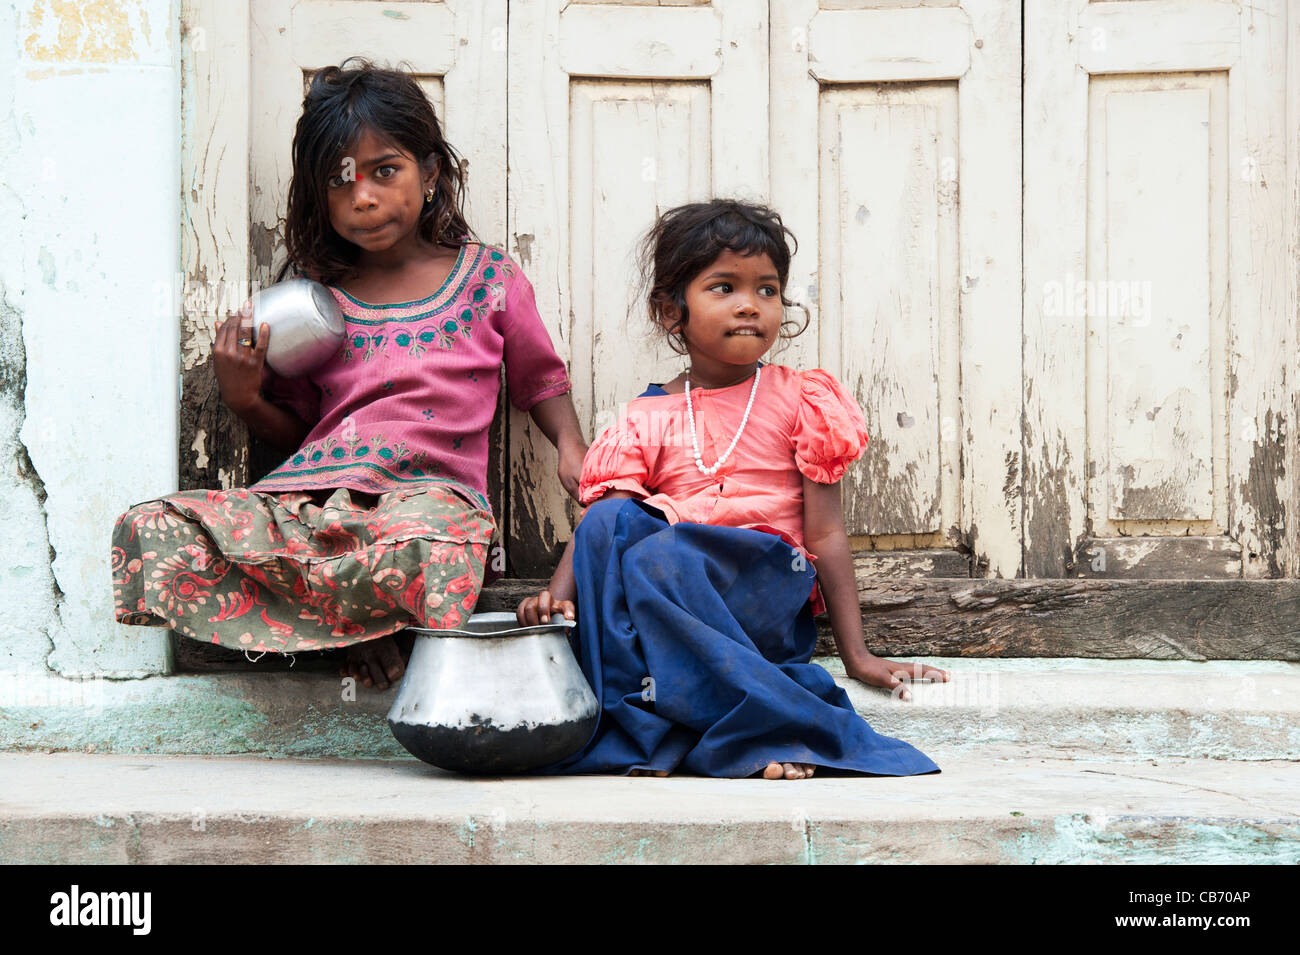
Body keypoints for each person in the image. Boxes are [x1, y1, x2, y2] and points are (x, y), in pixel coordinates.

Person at [112, 59, 586, 690]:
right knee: (152, 527)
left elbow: (540, 380)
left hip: (427, 507)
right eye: (340, 183)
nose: (363, 196)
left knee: (440, 549)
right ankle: (360, 626)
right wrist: (246, 398)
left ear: (431, 172)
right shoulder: (317, 304)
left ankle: (366, 625)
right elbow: (303, 426)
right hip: (314, 504)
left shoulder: (489, 279)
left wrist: (573, 448)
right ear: (319, 197)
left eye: (385, 171)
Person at [516, 199, 948, 780]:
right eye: (724, 287)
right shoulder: (649, 414)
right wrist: (555, 597)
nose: (750, 305)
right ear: (672, 312)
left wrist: (858, 654)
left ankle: (756, 731)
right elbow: (601, 523)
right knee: (617, 522)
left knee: (660, 553)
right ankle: (671, 728)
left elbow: (824, 530)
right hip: (670, 586)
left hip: (764, 583)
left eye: (767, 290)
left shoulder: (802, 397)